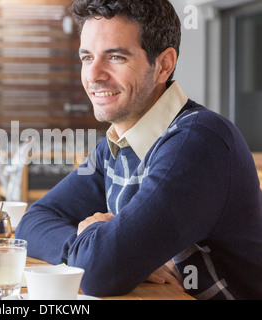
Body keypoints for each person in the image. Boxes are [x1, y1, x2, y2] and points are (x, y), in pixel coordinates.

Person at [15, 0, 262, 300]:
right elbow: (33, 222)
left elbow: (100, 273)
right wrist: (87, 244)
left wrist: (107, 253)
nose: (93, 75)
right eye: (86, 57)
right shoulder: (115, 146)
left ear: (164, 65)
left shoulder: (199, 143)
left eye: (116, 57)